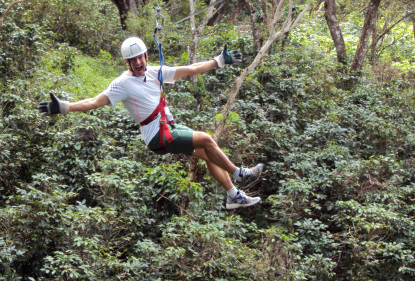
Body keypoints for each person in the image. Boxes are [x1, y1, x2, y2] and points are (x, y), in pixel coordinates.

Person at [39, 36, 263, 209]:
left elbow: (190, 69)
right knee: (205, 139)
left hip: (169, 127)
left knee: (207, 152)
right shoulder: (122, 84)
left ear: (146, 56)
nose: (137, 62)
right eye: (133, 60)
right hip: (157, 135)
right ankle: (239, 173)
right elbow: (94, 101)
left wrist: (219, 61)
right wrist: (64, 107)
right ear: (127, 62)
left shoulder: (156, 72)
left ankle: (233, 196)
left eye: (140, 57)